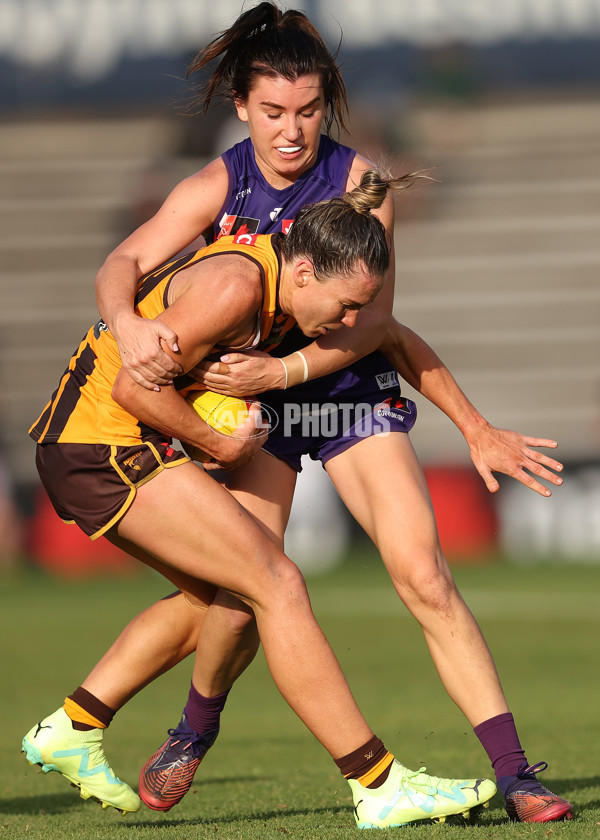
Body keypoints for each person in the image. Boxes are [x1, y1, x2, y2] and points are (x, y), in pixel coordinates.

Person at [25, 2, 571, 827]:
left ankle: (516, 772)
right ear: (242, 108)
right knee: (244, 589)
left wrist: (464, 421)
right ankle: (192, 732)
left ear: (329, 105)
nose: (292, 132)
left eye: (309, 111)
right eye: (274, 112)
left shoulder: (361, 185)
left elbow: (374, 324)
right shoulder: (222, 185)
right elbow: (125, 262)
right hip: (247, 406)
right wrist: (131, 327)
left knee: (421, 575)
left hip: (338, 390)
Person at [23, 174, 498, 830]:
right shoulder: (237, 289)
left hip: (103, 447)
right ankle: (377, 782)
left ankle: (75, 726)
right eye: (345, 304)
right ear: (304, 271)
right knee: (278, 581)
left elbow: (386, 335)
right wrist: (216, 446)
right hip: (99, 448)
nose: (349, 321)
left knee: (226, 600)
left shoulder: (281, 289)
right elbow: (135, 389)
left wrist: (476, 426)